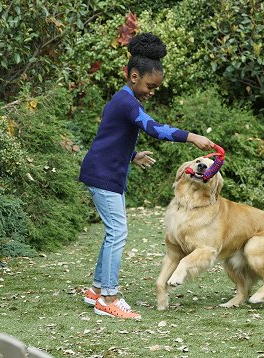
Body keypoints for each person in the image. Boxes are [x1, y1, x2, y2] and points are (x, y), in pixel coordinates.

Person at [79, 32, 214, 319]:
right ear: (134, 76)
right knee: (118, 233)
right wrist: (191, 137)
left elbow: (108, 139)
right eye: (150, 86)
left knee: (112, 233)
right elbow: (154, 129)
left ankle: (96, 290)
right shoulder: (128, 103)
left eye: (155, 88)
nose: (152, 92)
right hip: (103, 175)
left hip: (103, 171)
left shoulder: (122, 101)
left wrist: (132, 155)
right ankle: (109, 298)